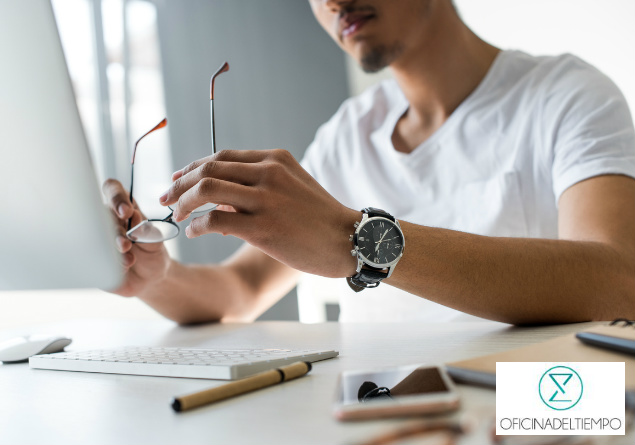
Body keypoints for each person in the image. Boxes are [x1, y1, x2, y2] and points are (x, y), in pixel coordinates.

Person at [102, 0, 635, 325]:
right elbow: (241, 291)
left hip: (526, 413)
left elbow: (619, 281)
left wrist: (356, 240)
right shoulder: (348, 134)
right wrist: (154, 279)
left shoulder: (565, 95)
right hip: (370, 420)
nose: (333, 1)